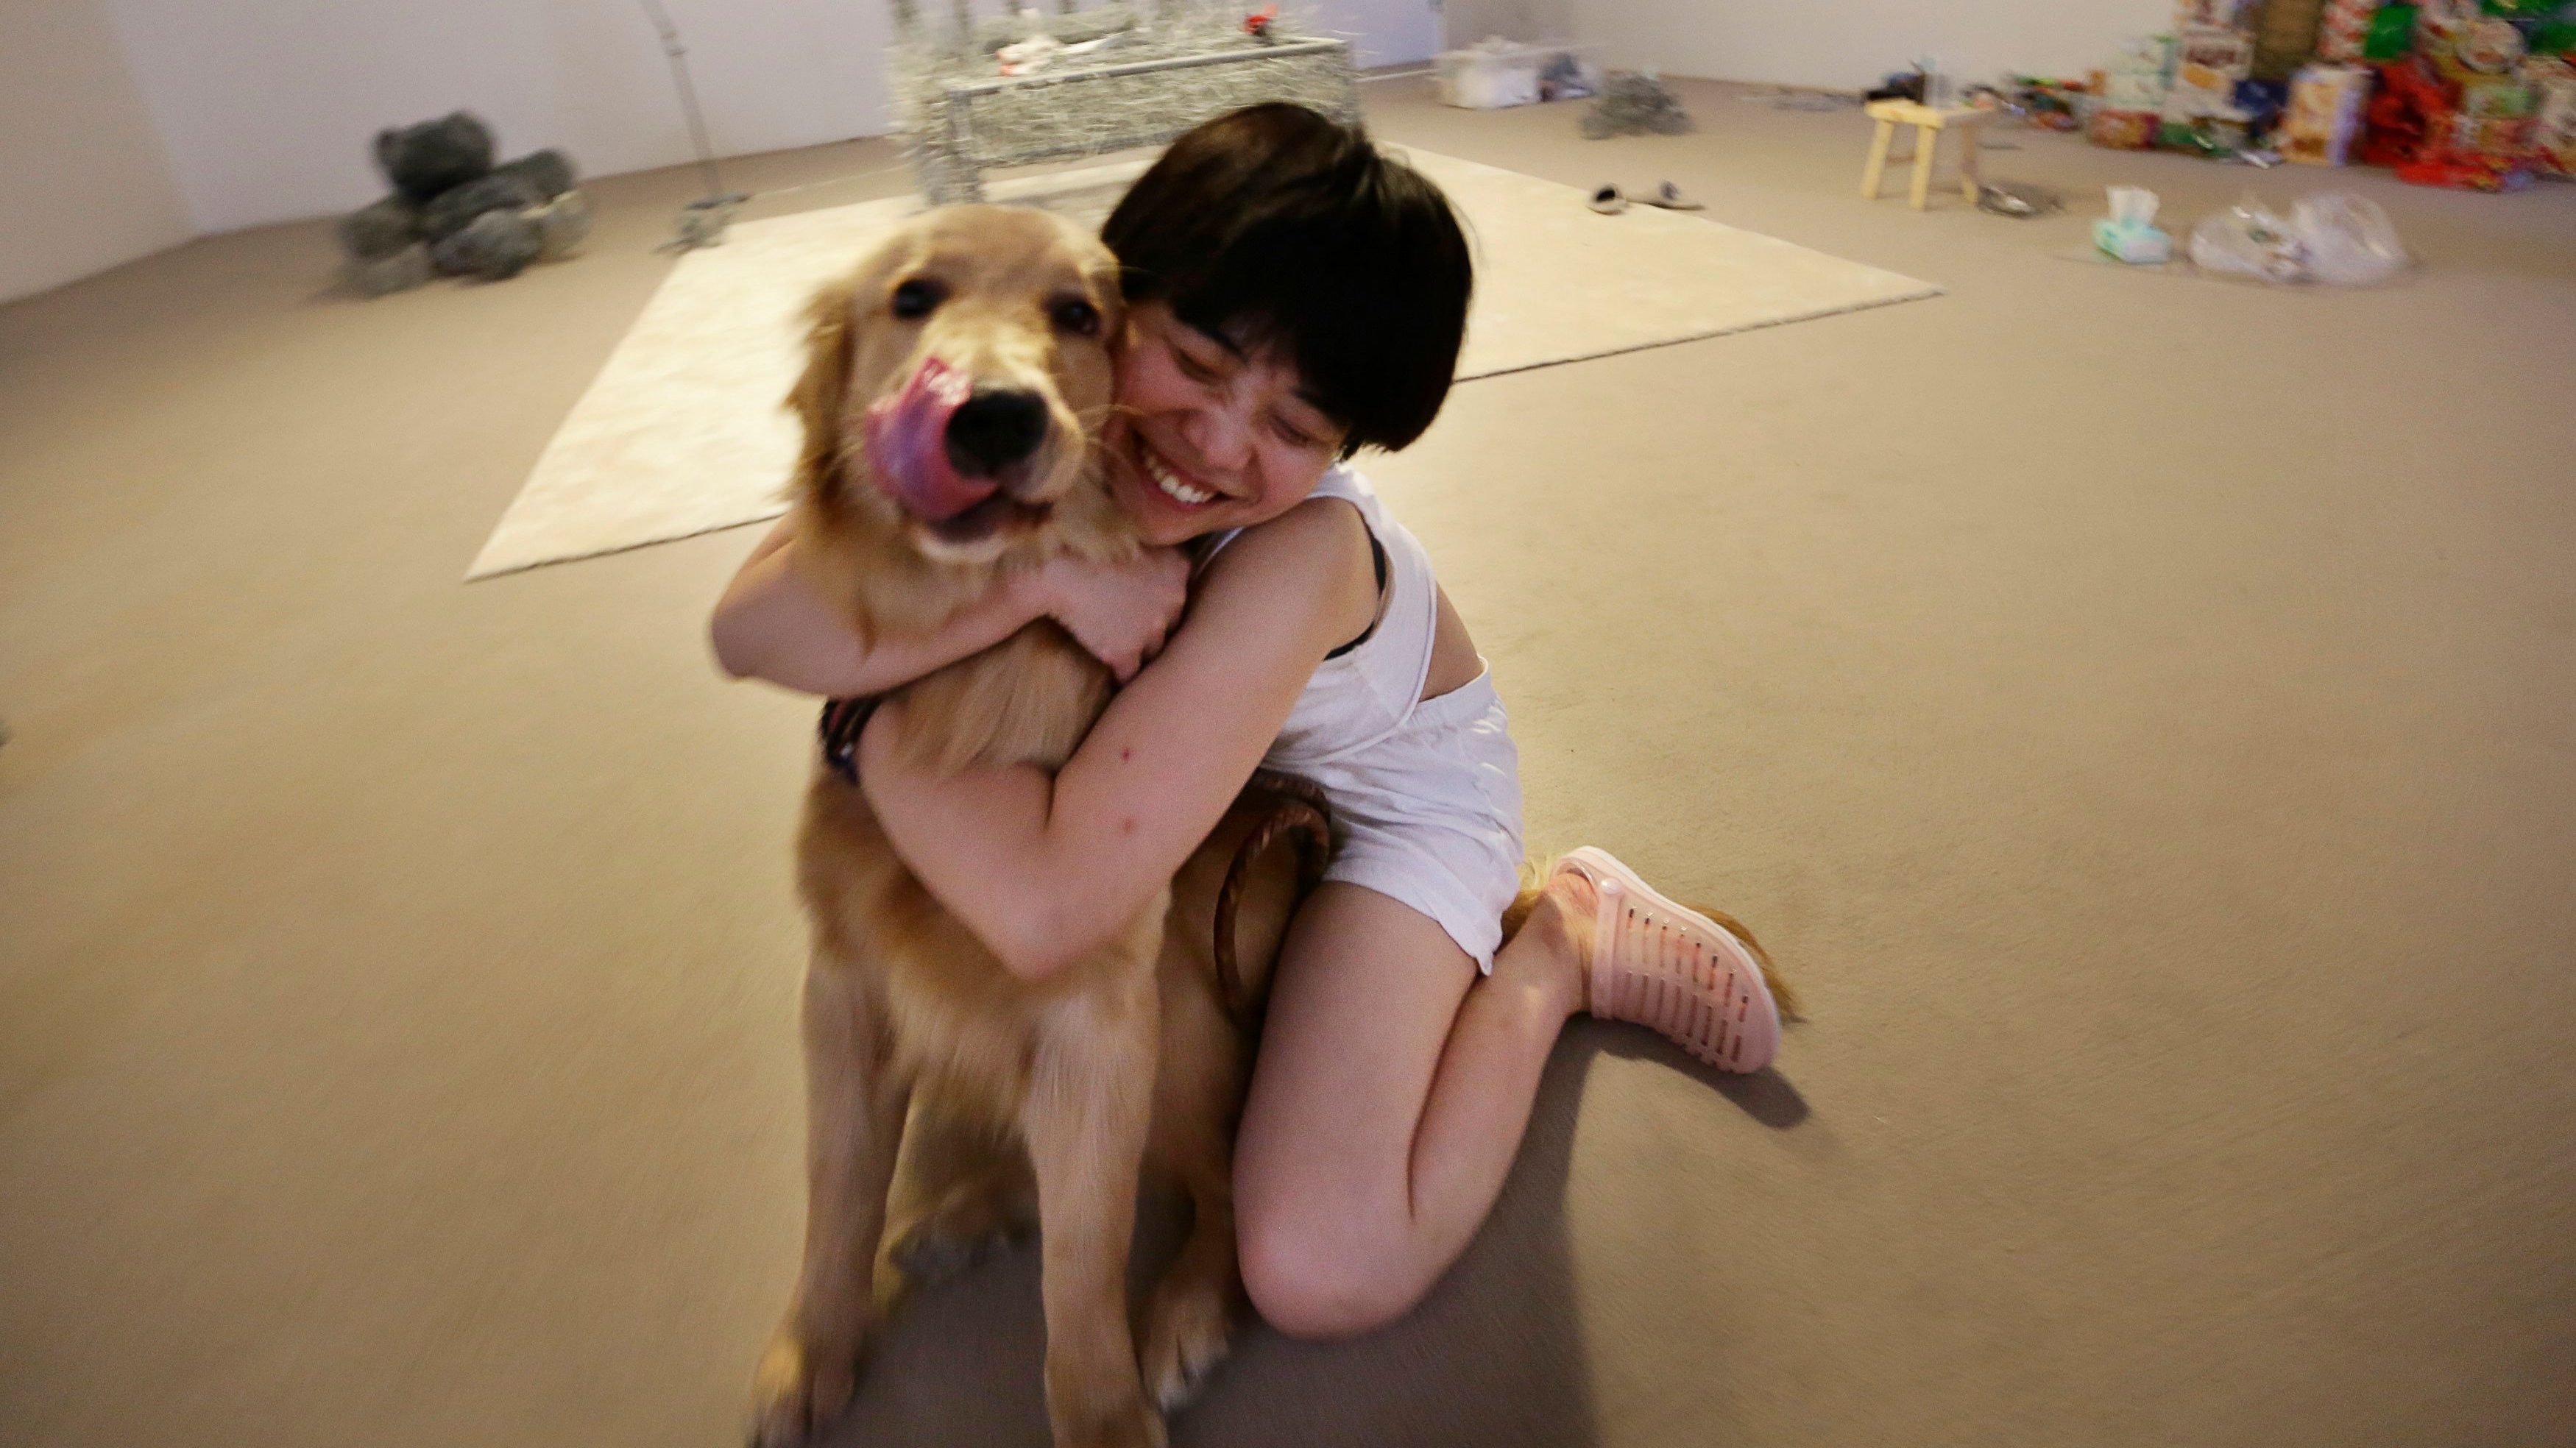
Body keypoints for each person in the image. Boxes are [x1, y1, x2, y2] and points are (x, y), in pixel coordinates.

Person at [712, 102, 1782, 1341]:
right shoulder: (1054, 416)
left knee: (1323, 1266)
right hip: (1209, 779)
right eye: (1200, 364)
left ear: (1342, 448)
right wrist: (1052, 579)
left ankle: (1563, 949)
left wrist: (866, 733)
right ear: (1111, 312)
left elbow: (1050, 909)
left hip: (1392, 811)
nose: (1213, 445)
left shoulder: (1304, 551)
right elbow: (752, 629)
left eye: (1293, 428)